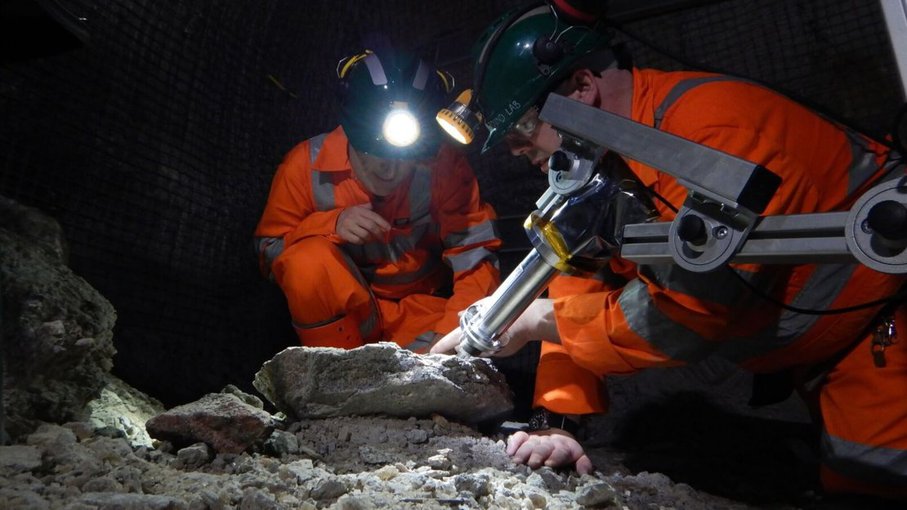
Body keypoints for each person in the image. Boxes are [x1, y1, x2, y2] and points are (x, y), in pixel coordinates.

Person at [432, 1, 907, 499]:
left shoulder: (713, 137)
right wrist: (555, 419)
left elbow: (688, 317)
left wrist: (538, 320)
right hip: (809, 350)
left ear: (580, 89)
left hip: (872, 323)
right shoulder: (611, 159)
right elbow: (578, 277)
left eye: (522, 130)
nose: (516, 151)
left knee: (873, 484)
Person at [255, 45, 502, 352]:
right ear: (352, 134)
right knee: (306, 262)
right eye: (374, 153)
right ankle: (335, 377)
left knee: (482, 326)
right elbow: (269, 252)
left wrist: (451, 345)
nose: (389, 168)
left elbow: (475, 256)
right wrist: (331, 224)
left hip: (422, 319)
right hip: (347, 321)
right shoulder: (304, 166)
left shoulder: (444, 167)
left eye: (404, 156)